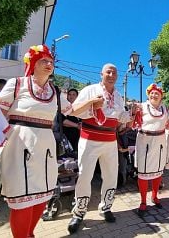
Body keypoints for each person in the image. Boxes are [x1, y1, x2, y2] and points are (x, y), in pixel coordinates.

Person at [0, 45, 101, 238]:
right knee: (22, 198)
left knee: (42, 195)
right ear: (32, 63)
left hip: (46, 147)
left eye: (51, 61)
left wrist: (91, 103)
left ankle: (30, 233)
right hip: (19, 145)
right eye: (44, 60)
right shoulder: (17, 84)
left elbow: (72, 110)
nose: (49, 64)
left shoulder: (56, 91)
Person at [68, 63, 131, 234]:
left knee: (111, 175)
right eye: (108, 72)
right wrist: (92, 104)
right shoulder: (90, 90)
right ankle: (79, 213)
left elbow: (121, 118)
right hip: (90, 138)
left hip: (110, 140)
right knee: (84, 175)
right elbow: (73, 111)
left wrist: (132, 114)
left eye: (114, 72)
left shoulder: (118, 96)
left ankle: (106, 208)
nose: (111, 74)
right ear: (101, 74)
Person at [134, 84, 169, 215]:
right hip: (145, 140)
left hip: (160, 141)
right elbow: (133, 122)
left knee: (158, 171)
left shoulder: (164, 109)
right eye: (152, 93)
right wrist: (133, 111)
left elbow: (168, 126)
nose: (154, 95)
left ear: (161, 96)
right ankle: (143, 201)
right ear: (148, 94)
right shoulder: (142, 106)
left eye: (157, 93)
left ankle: (155, 196)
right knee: (144, 172)